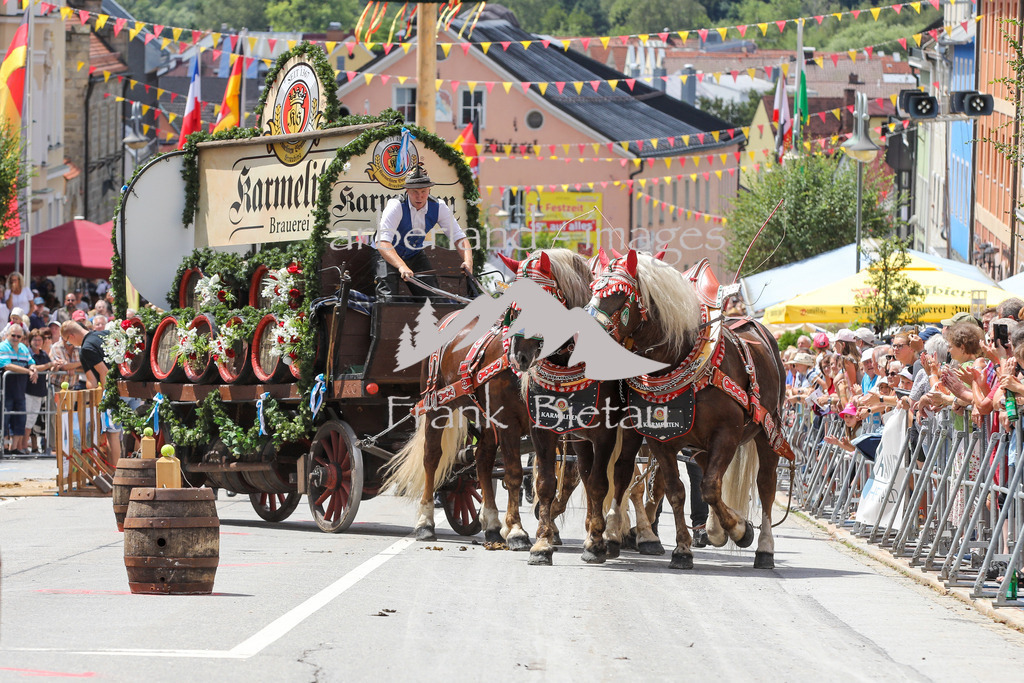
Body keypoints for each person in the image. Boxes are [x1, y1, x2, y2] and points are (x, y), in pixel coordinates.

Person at [373, 163, 473, 299]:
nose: (419, 196)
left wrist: (468, 262)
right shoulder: (396, 205)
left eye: (423, 191)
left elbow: (459, 237)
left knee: (434, 297)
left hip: (414, 254)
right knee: (387, 299)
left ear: (429, 190)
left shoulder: (439, 207)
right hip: (386, 255)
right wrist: (402, 266)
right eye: (415, 192)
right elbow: (383, 242)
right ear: (407, 190)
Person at [60, 320, 121, 463]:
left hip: (114, 391)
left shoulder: (86, 348)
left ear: (72, 335)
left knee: (112, 435)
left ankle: (116, 475)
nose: (71, 344)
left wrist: (107, 396)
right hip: (129, 385)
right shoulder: (106, 334)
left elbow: (100, 375)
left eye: (68, 341)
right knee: (132, 432)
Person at [0, 324, 36, 454]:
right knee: (4, 419)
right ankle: (3, 449)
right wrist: (28, 371)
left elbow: (31, 361)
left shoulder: (23, 348)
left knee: (20, 418)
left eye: (18, 336)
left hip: (21, 389)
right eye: (13, 335)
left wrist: (33, 369)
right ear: (7, 335)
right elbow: (7, 366)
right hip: (5, 390)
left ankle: (15, 448)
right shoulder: (2, 346)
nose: (15, 338)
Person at [24, 329, 54, 453]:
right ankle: (22, 446)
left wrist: (55, 364)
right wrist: (49, 365)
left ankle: (24, 446)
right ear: (30, 341)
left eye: (40, 340)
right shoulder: (28, 353)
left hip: (39, 391)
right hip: (28, 390)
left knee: (31, 420)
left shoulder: (43, 354)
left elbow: (48, 365)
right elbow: (35, 367)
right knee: (25, 419)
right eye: (35, 340)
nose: (37, 342)